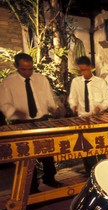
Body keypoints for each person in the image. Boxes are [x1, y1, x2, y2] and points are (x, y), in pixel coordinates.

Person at [0, 53, 64, 192]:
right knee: (27, 156)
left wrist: (54, 109)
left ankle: (50, 178)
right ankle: (32, 186)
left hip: (42, 121)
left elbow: (48, 98)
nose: (28, 72)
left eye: (30, 69)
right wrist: (16, 113)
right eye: (24, 69)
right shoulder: (8, 82)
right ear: (16, 66)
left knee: (48, 153)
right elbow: (4, 104)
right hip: (21, 123)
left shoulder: (41, 79)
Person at [68, 56, 108, 173]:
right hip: (82, 118)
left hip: (98, 118)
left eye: (85, 70)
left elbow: (107, 100)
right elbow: (72, 98)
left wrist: (100, 107)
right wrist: (74, 106)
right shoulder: (75, 82)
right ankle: (89, 172)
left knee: (100, 145)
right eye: (81, 70)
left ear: (91, 68)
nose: (83, 73)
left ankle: (103, 170)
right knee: (86, 147)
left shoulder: (100, 82)